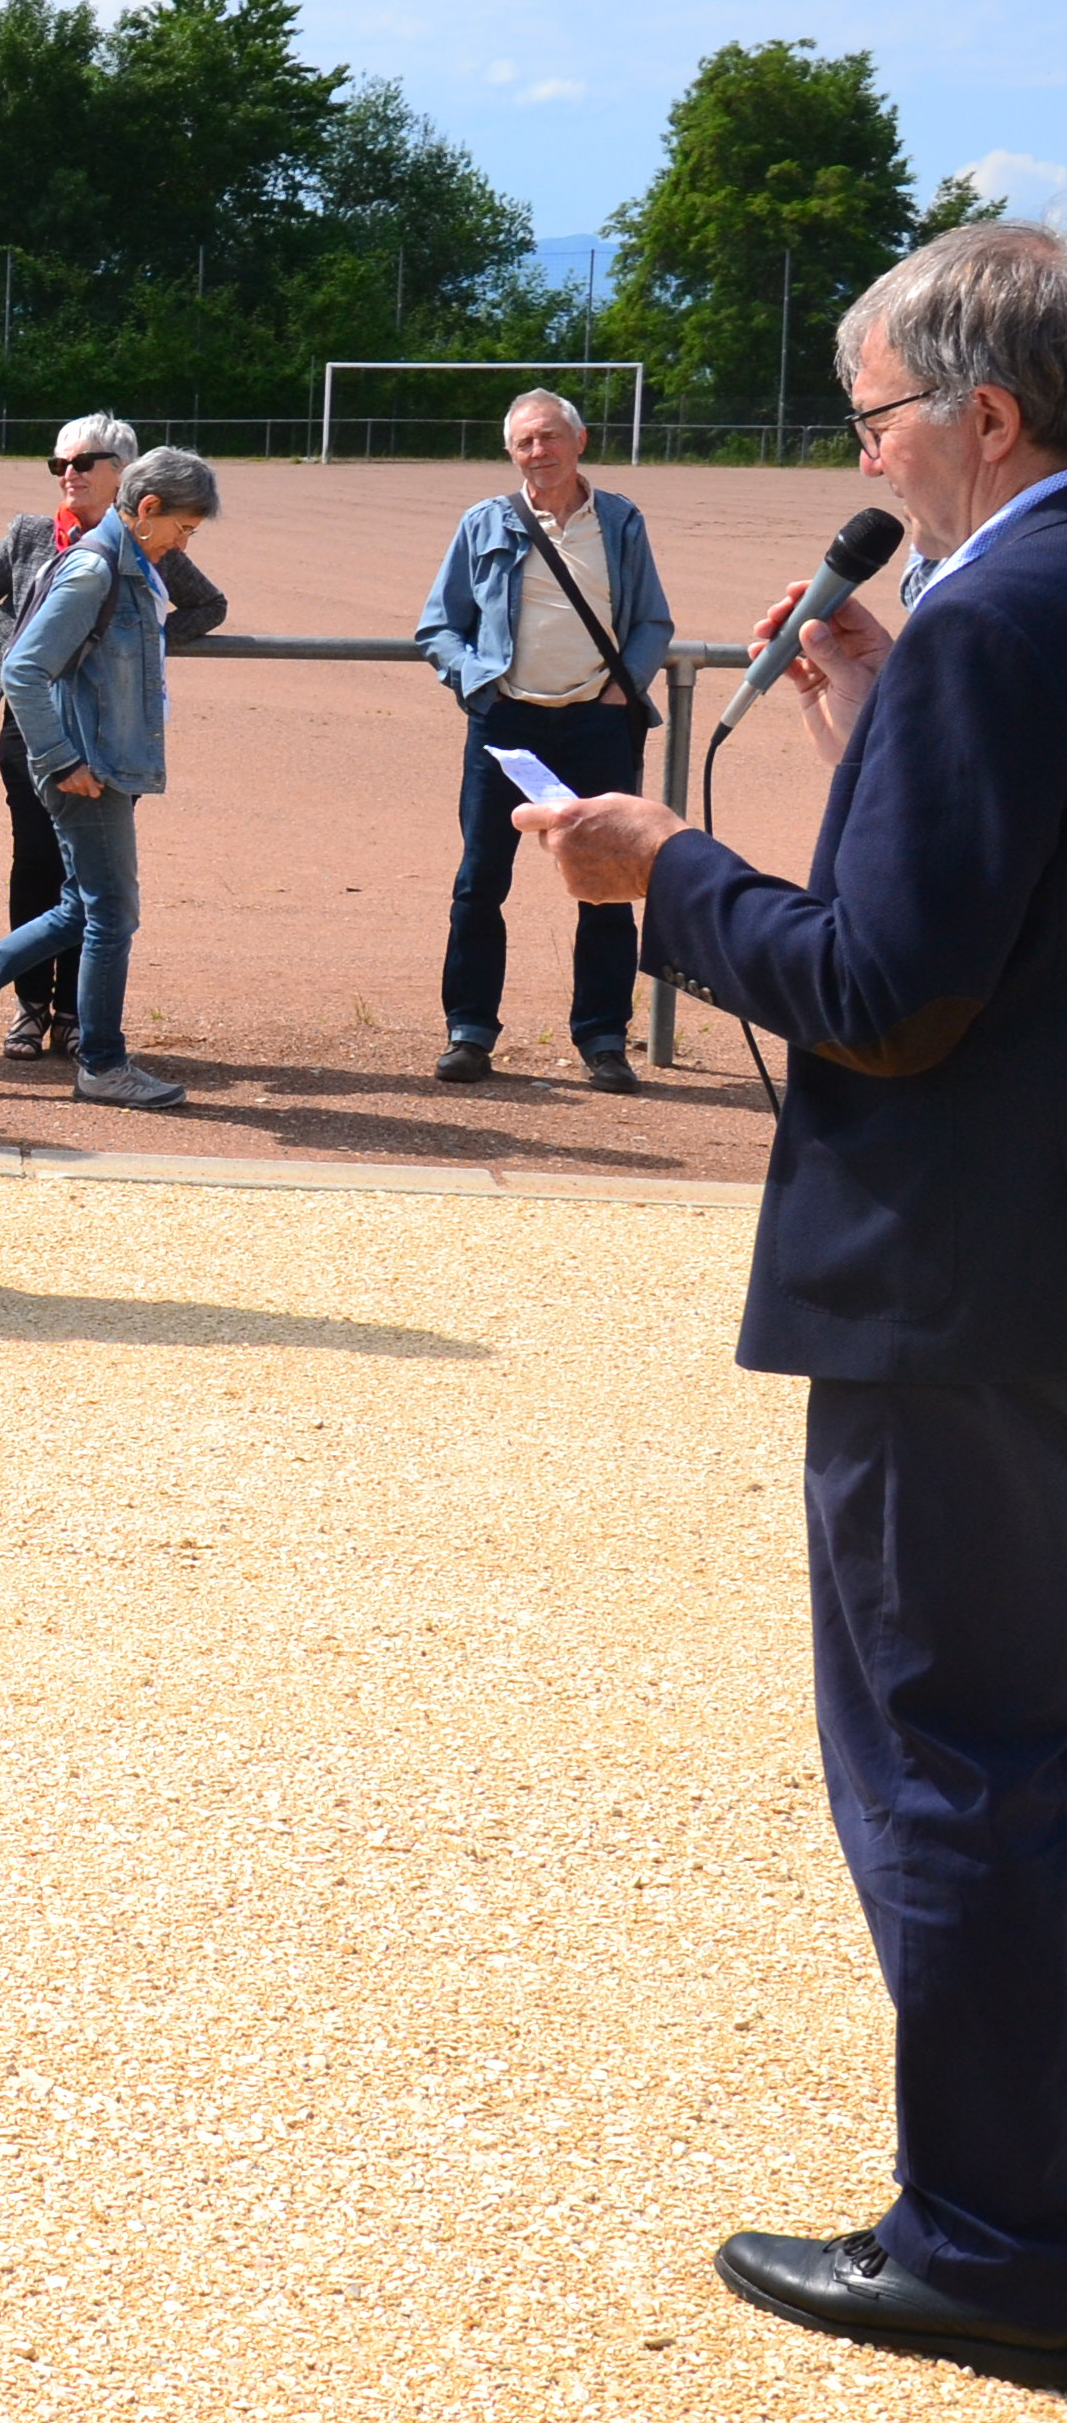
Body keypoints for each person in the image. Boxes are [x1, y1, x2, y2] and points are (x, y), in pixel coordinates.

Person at [515, 222, 1067, 2383]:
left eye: (875, 419)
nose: (869, 458)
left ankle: (993, 2238)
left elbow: (886, 991)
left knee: (960, 1760)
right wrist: (872, 720)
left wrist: (671, 879)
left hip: (952, 1288)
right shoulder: (991, 618)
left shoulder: (994, 615)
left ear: (986, 416)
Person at [0, 448, 219, 1110]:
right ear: (147, 509)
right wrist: (62, 759)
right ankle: (103, 1064)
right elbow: (23, 669)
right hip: (87, 771)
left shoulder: (129, 563)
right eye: (183, 528)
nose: (184, 542)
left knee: (81, 908)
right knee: (112, 914)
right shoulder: (95, 569)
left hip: (101, 764)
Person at [417, 386, 671, 1092]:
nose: (539, 452)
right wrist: (480, 684)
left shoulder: (619, 521)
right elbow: (438, 626)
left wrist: (627, 685)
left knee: (608, 884)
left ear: (579, 441)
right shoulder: (483, 523)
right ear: (510, 451)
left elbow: (652, 621)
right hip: (508, 726)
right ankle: (469, 1033)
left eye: (551, 437)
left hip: (596, 722)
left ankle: (603, 1038)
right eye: (525, 441)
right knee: (480, 882)